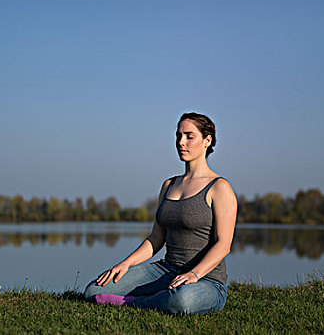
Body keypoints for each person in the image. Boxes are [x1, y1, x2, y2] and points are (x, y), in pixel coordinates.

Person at [83, 112, 238, 315]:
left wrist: (194, 273)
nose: (181, 142)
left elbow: (223, 245)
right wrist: (125, 264)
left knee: (183, 301)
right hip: (166, 271)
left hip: (206, 280)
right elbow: (156, 238)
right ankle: (158, 298)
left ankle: (134, 303)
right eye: (178, 136)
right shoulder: (169, 185)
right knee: (93, 290)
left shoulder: (219, 187)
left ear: (207, 141)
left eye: (189, 136)